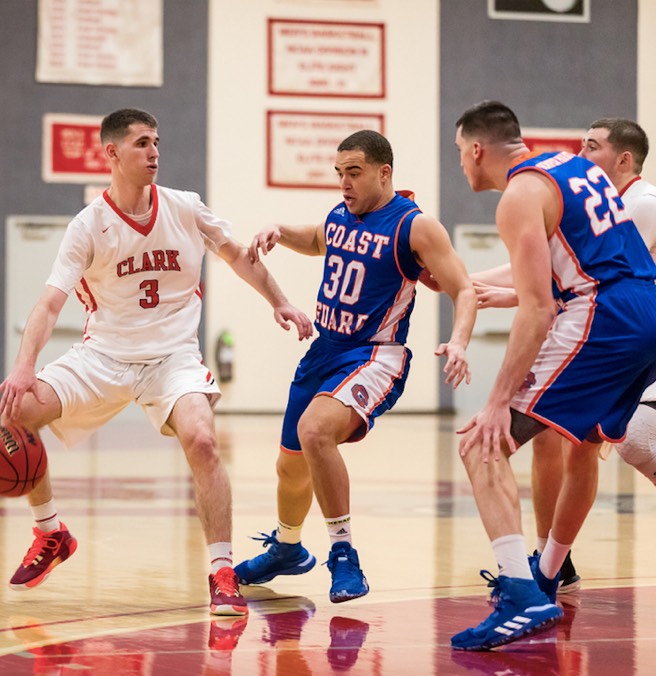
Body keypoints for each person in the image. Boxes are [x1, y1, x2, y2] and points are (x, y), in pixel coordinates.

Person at [0, 108, 313, 617]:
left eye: (157, 142)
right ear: (112, 154)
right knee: (17, 413)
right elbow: (50, 302)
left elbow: (238, 255)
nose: (154, 152)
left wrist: (280, 300)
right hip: (103, 355)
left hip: (172, 357)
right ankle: (50, 533)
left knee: (203, 440)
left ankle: (222, 572)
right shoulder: (88, 225)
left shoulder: (185, 208)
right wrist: (24, 366)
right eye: (142, 143)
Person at [233, 130, 477, 604]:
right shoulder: (340, 215)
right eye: (339, 173)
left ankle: (344, 555)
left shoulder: (415, 226)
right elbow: (318, 239)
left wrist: (460, 340)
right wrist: (279, 232)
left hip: (375, 354)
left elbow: (463, 288)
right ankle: (287, 547)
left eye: (355, 173)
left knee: (315, 431)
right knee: (290, 465)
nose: (344, 183)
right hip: (324, 350)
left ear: (385, 172)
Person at [450, 101, 656, 651]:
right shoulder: (576, 167)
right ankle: (547, 572)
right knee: (586, 442)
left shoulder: (519, 196)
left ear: (476, 150)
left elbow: (540, 311)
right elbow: (586, 265)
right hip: (645, 310)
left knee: (482, 444)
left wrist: (496, 402)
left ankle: (521, 592)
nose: (461, 166)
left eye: (458, 154)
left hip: (604, 319)